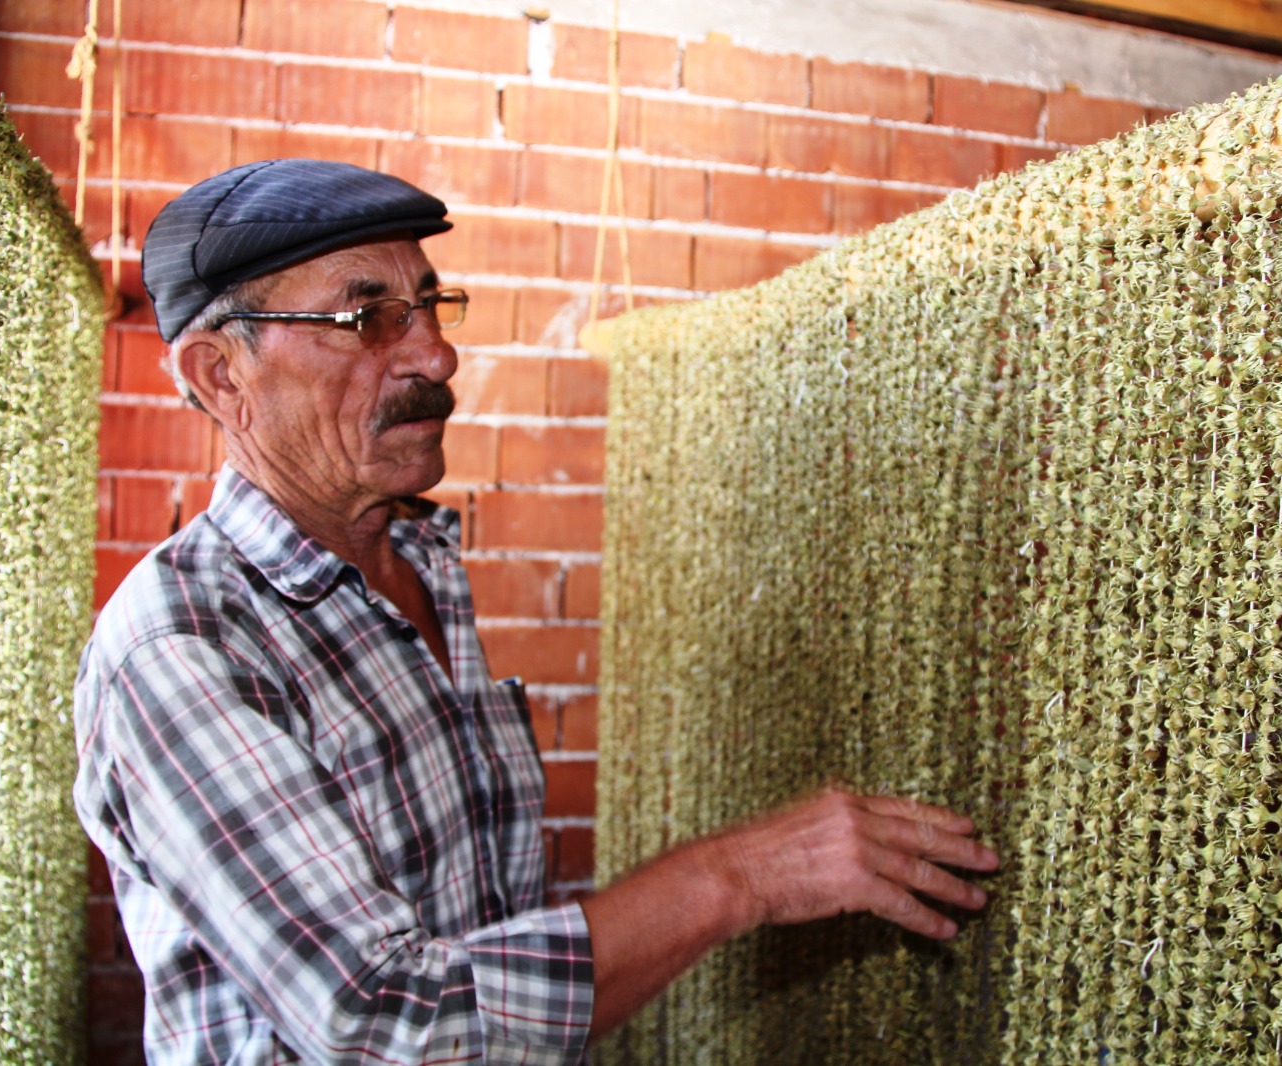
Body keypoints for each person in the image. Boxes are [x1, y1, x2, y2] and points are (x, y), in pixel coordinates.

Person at [73, 158, 999, 1065]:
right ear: (220, 374)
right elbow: (390, 1026)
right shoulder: (181, 647)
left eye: (431, 306)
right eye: (366, 318)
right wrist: (741, 875)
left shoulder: (416, 559)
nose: (437, 355)